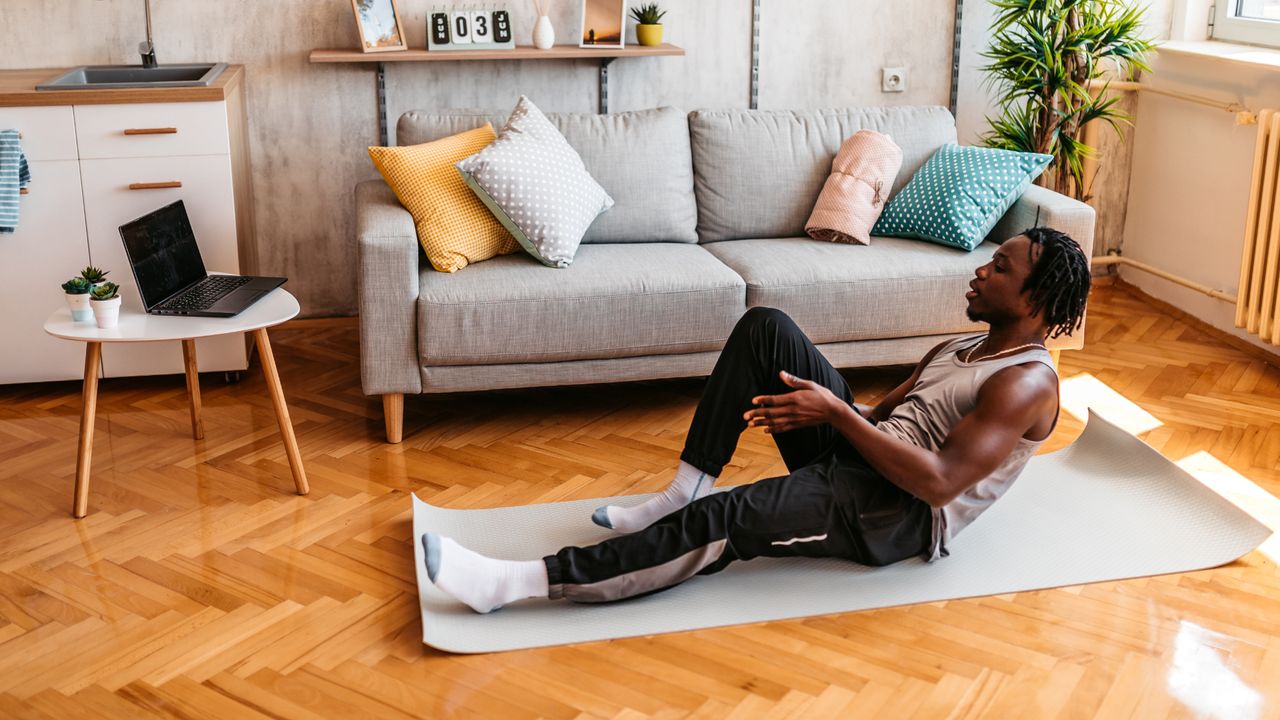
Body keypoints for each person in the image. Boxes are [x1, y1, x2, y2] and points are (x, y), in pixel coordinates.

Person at [421, 227, 1092, 613]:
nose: (980, 270)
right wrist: (836, 413)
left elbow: (940, 482)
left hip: (897, 515)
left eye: (1000, 267)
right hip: (871, 461)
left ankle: (517, 583)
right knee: (767, 327)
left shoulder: (1025, 385)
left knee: (729, 522)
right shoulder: (958, 347)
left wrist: (831, 411)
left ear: (1036, 298)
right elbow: (884, 421)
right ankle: (684, 486)